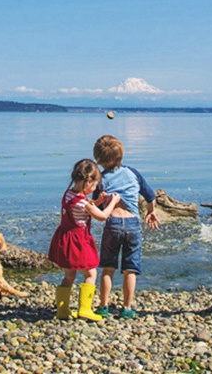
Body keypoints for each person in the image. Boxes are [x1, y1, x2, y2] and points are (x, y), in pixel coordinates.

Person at [92, 134, 161, 319]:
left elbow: (97, 206)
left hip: (113, 223)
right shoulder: (133, 173)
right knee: (130, 269)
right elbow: (150, 196)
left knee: (108, 267)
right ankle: (127, 308)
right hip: (132, 224)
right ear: (120, 156)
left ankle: (103, 306)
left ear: (98, 159)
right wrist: (150, 212)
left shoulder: (100, 179)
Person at [48, 159, 121, 321]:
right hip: (78, 241)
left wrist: (97, 202)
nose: (94, 189)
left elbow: (83, 206)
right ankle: (85, 309)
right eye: (94, 185)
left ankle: (62, 310)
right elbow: (101, 216)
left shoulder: (69, 194)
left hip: (64, 239)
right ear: (88, 182)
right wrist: (112, 203)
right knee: (91, 273)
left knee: (69, 275)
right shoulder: (83, 202)